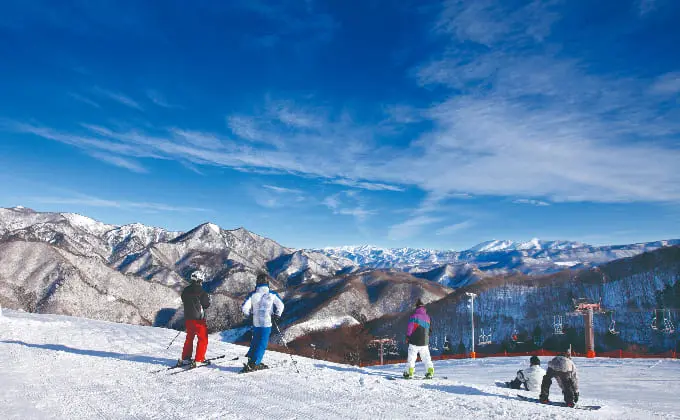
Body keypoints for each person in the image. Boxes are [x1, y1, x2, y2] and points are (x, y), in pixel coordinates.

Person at [241, 273, 285, 373]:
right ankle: (255, 363)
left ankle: (251, 359)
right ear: (267, 282)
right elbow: (281, 306)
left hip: (256, 321)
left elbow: (244, 308)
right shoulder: (272, 294)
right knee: (262, 343)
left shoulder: (252, 295)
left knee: (255, 340)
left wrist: (250, 314)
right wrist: (277, 315)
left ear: (257, 282)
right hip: (267, 321)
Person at [178, 270, 211, 367]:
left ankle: (185, 358)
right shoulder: (202, 292)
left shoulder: (185, 290)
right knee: (203, 339)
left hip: (188, 318)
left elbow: (184, 299)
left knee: (189, 338)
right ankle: (199, 359)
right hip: (199, 320)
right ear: (200, 280)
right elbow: (206, 305)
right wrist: (209, 300)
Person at [403, 299, 434, 379]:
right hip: (425, 342)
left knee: (412, 357)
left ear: (416, 308)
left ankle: (409, 372)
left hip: (414, 341)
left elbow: (410, 328)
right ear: (424, 308)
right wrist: (426, 337)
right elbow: (430, 330)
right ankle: (430, 371)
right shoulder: (428, 317)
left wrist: (407, 337)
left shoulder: (413, 317)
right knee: (426, 357)